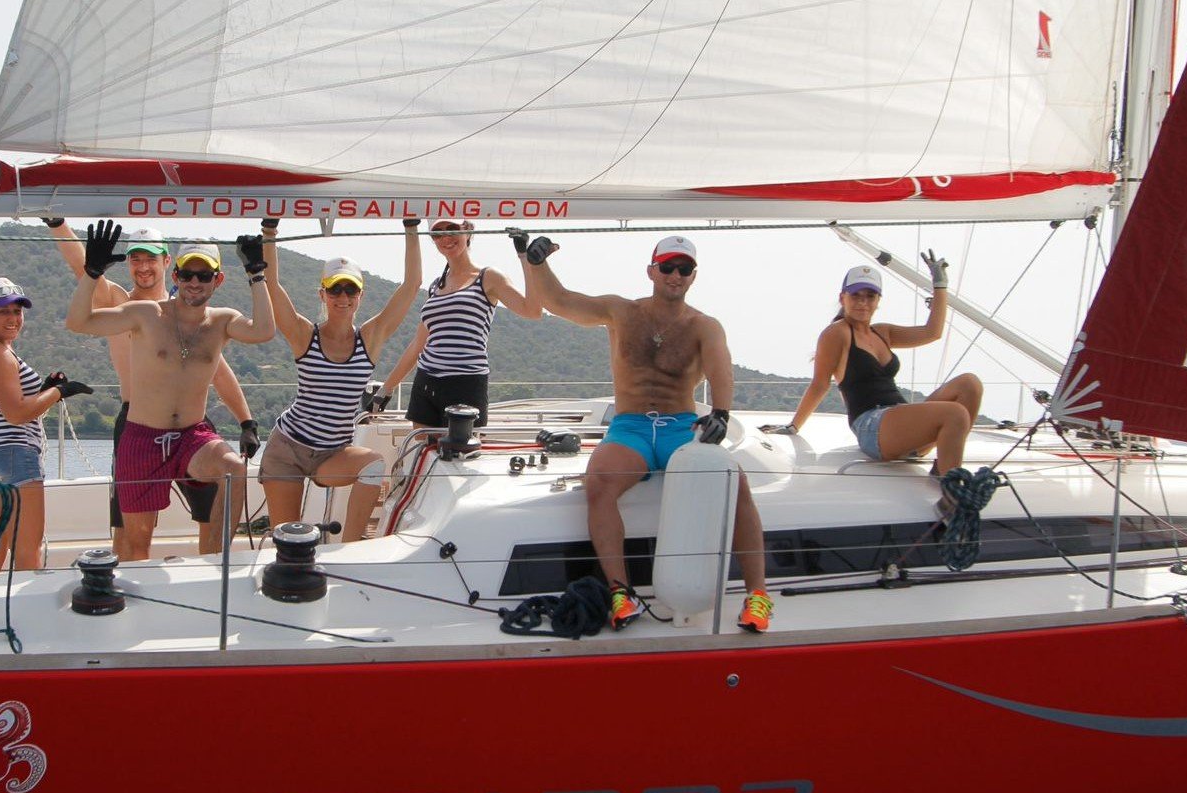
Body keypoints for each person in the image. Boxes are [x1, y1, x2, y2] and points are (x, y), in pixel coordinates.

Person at [518, 232, 773, 633]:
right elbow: (560, 301)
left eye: (684, 269)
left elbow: (722, 366)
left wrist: (721, 412)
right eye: (668, 266)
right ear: (651, 270)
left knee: (734, 483)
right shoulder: (621, 312)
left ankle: (757, 595)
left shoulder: (703, 325)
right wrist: (537, 263)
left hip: (679, 429)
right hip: (631, 427)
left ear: (693, 276)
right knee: (599, 481)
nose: (675, 275)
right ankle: (622, 592)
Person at [44, 217, 258, 553]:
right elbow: (79, 267)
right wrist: (58, 224)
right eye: (135, 259)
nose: (143, 267)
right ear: (127, 263)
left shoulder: (192, 307)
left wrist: (246, 421)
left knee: (211, 505)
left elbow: (219, 369)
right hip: (137, 421)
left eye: (151, 259)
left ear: (167, 263)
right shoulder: (118, 300)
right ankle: (128, 579)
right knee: (127, 529)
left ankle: (212, 571)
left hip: (191, 424)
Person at [258, 217, 422, 541]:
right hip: (287, 450)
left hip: (331, 454)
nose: (343, 296)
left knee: (374, 466)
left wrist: (412, 228)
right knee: (287, 544)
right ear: (323, 293)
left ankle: (350, 550)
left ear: (361, 295)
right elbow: (272, 286)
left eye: (351, 289)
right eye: (335, 288)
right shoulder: (305, 335)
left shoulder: (370, 339)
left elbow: (411, 285)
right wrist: (269, 234)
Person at [783, 258, 982, 511]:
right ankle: (952, 497)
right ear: (843, 297)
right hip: (872, 426)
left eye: (870, 296)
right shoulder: (837, 333)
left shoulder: (882, 332)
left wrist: (940, 286)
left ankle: (943, 468)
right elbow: (820, 384)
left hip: (898, 420)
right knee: (954, 414)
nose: (863, 302)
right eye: (856, 295)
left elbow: (933, 332)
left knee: (970, 384)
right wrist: (793, 426)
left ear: (878, 301)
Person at [0, 276, 92, 574]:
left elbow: (6, 405)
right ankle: (26, 616)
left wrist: (44, 390)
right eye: (3, 311)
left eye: (18, 311)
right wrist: (59, 392)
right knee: (28, 549)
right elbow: (16, 414)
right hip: (12, 454)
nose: (13, 318)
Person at [373, 219, 542, 427]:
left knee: (459, 459)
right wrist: (386, 389)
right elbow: (418, 345)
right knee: (420, 454)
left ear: (468, 230)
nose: (445, 238)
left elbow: (532, 310)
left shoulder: (488, 277)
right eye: (438, 233)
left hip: (466, 384)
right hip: (426, 384)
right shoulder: (436, 286)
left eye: (452, 230)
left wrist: (525, 257)